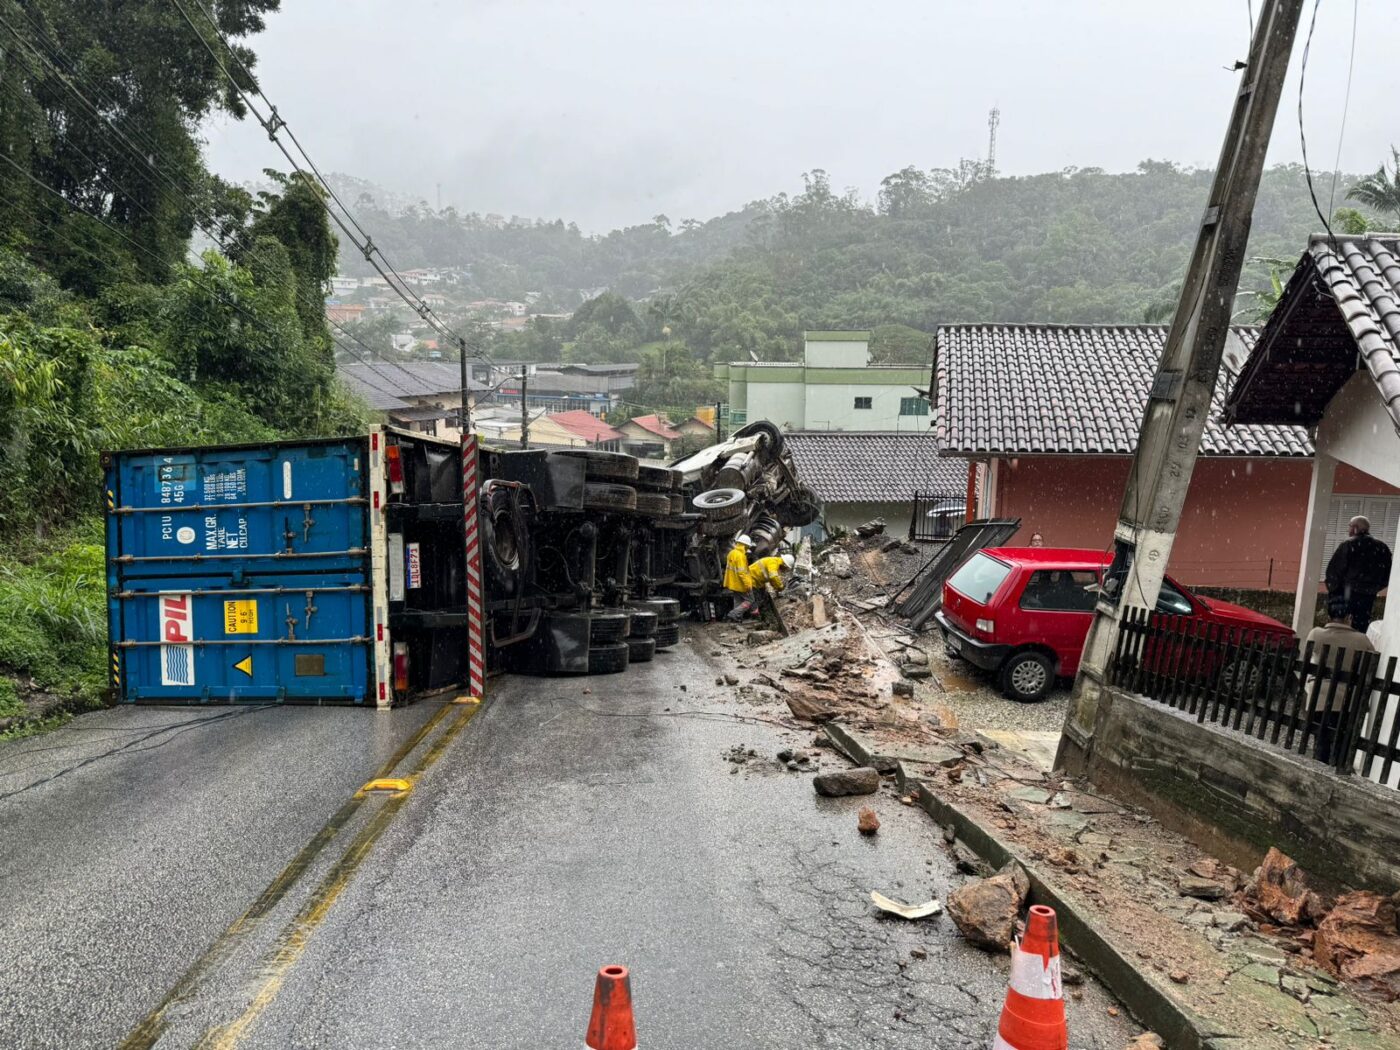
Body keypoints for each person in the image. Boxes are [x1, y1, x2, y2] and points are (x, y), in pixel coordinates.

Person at [1304, 595, 1377, 763]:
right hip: (1348, 701)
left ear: (1328, 615)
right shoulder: (1361, 640)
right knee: (1341, 743)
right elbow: (1372, 665)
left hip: (1319, 699)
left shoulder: (1316, 634)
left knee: (1321, 742)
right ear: (1349, 617)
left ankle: (1319, 771)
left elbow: (1308, 661)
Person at [1325, 516, 1392, 632]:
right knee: (1360, 628)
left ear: (1355, 528)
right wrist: (1374, 588)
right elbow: (1388, 575)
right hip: (1368, 596)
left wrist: (1334, 591)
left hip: (1346, 593)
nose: (1348, 530)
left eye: (1350, 526)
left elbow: (1334, 572)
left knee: (1340, 628)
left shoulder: (1348, 545)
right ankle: (1356, 648)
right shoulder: (1382, 548)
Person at [729, 552, 794, 621]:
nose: (785, 570)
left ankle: (739, 617)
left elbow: (771, 579)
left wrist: (776, 588)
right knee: (751, 601)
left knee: (745, 600)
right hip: (750, 581)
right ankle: (746, 616)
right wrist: (780, 587)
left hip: (752, 581)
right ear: (784, 564)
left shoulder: (774, 562)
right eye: (786, 568)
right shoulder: (773, 563)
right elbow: (773, 577)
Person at [723, 534, 754, 621]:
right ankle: (733, 614)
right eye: (747, 547)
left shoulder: (731, 553)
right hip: (740, 583)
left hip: (732, 583)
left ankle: (736, 618)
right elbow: (742, 572)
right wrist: (748, 585)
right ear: (745, 545)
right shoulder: (740, 556)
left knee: (737, 600)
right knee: (750, 600)